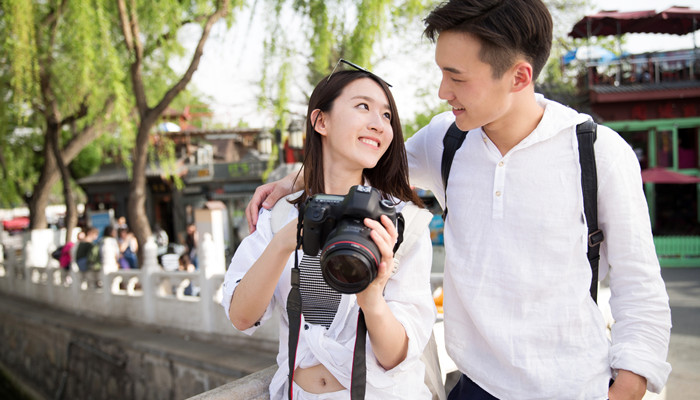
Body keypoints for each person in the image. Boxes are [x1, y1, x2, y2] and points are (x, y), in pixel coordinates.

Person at [244, 1, 672, 399]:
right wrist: (293, 180)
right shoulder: (446, 140)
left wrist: (627, 389)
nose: (442, 92)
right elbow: (365, 159)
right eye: (441, 73)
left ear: (519, 77)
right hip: (473, 386)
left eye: (457, 77)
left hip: (574, 386)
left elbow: (640, 287)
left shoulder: (596, 153)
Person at [222, 64, 436, 399]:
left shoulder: (402, 223)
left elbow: (396, 357)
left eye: (387, 116)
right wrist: (284, 241)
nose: (378, 123)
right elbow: (241, 317)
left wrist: (372, 301)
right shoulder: (279, 215)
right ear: (321, 121)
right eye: (363, 106)